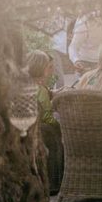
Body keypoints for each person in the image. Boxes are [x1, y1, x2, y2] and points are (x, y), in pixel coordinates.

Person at [27, 50, 63, 194]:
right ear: (40, 69)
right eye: (49, 67)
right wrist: (59, 123)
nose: (52, 70)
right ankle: (55, 184)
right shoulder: (40, 90)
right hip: (43, 128)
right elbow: (47, 116)